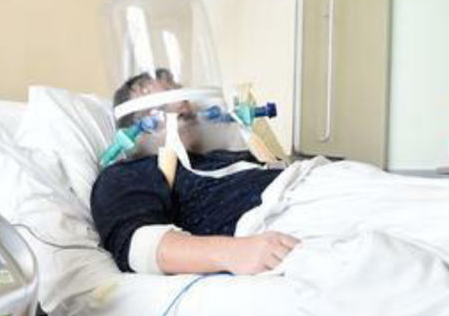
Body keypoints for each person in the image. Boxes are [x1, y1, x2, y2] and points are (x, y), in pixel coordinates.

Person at [90, 71, 299, 275]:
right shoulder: (127, 174)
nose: (184, 100)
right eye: (168, 91)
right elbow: (140, 248)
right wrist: (235, 252)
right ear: (136, 120)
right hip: (288, 226)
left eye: (178, 90)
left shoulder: (222, 157)